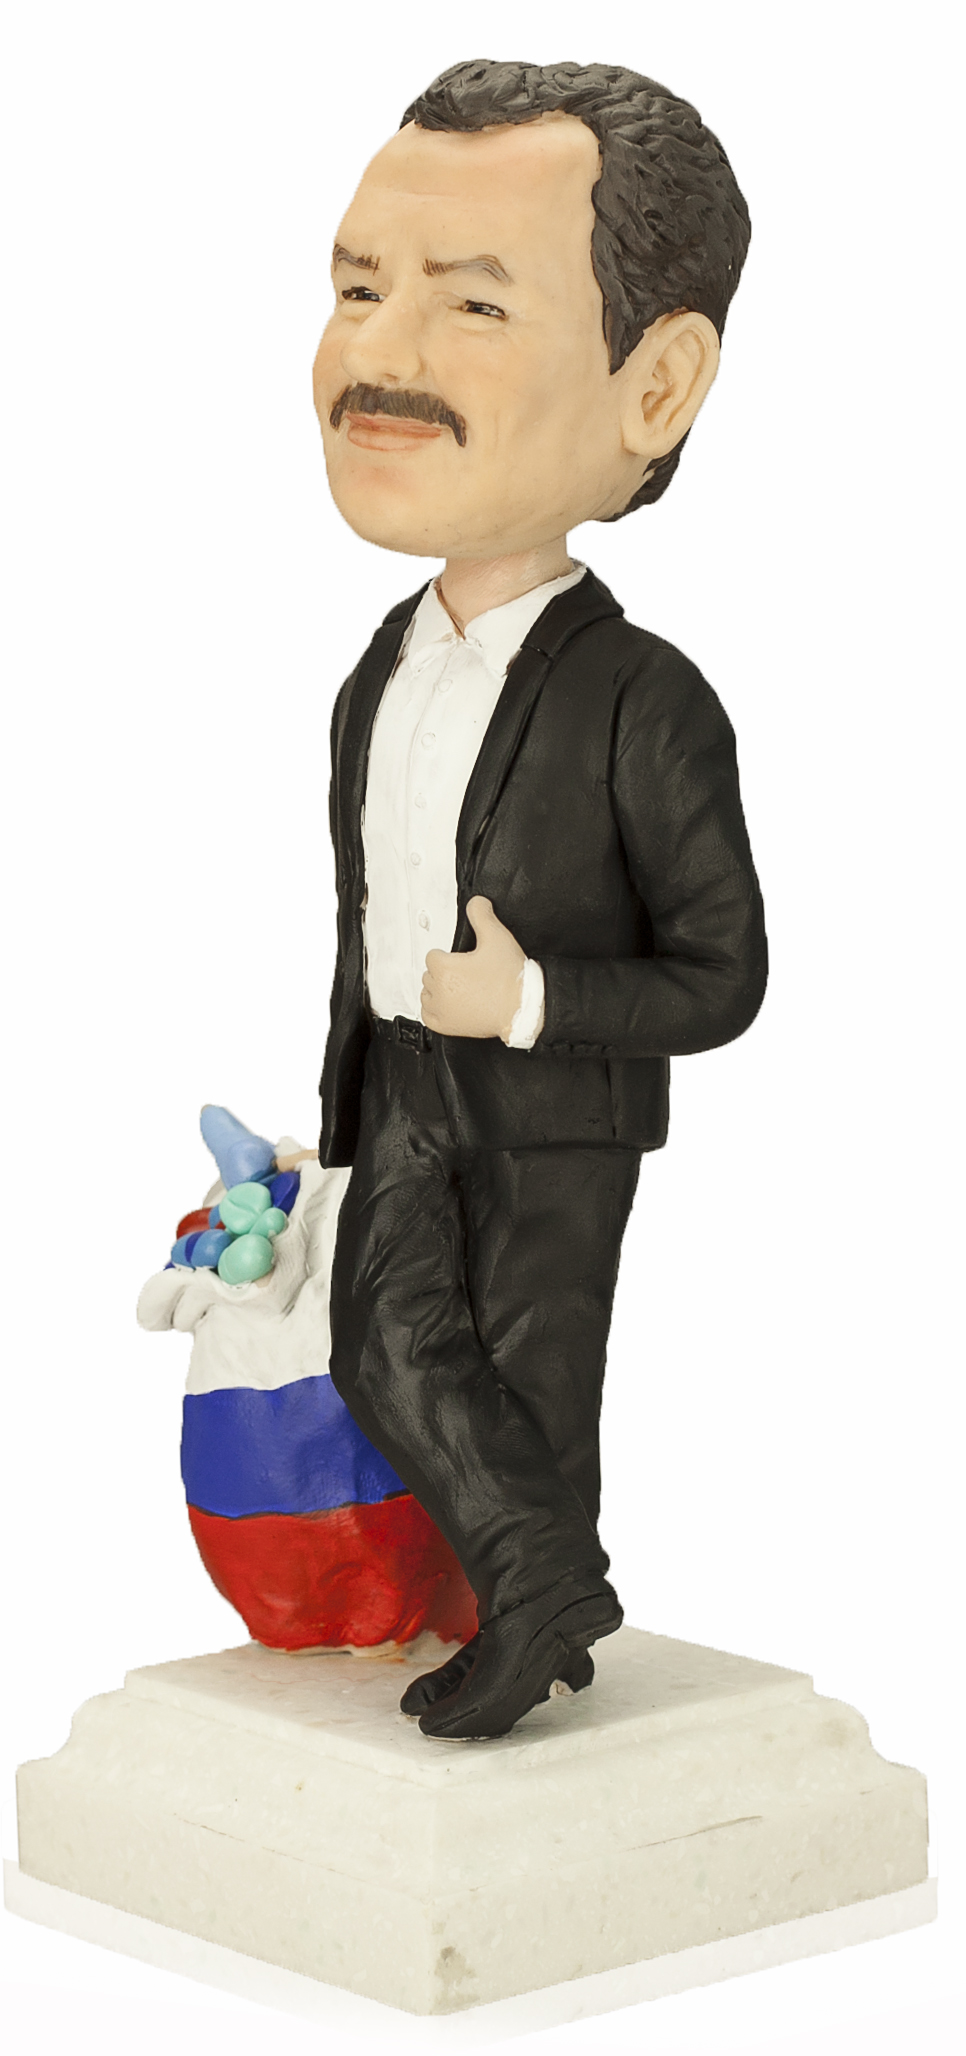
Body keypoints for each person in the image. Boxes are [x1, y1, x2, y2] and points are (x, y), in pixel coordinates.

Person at [312, 60, 768, 1740]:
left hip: (550, 1109)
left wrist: (527, 1002)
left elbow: (722, 975)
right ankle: (530, 1587)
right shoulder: (383, 666)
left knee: (529, 1376)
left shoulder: (645, 700)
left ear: (655, 384)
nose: (382, 350)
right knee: (380, 1347)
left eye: (473, 301)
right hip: (403, 1083)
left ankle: (532, 1621)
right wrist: (340, 1102)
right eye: (357, 286)